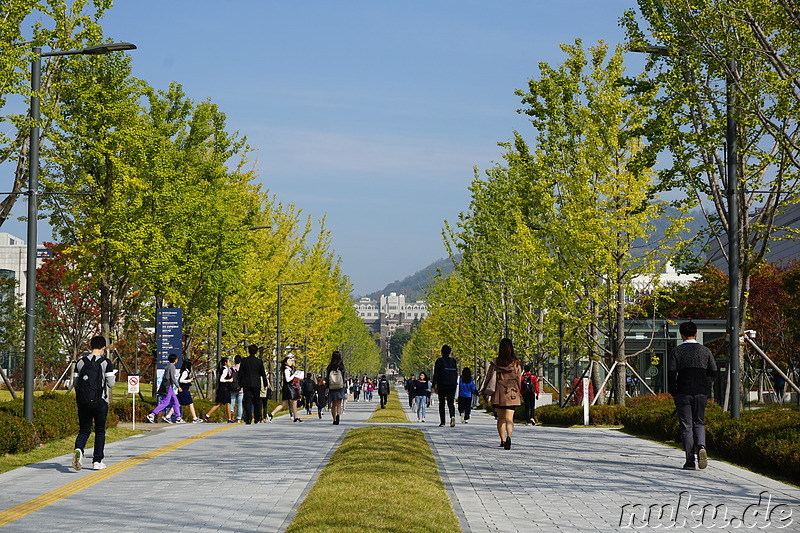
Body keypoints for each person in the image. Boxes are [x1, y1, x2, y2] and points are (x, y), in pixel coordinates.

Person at [668, 321, 718, 470]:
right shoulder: (705, 351)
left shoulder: (676, 352)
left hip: (683, 392)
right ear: (696, 334)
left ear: (681, 335)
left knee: (686, 426)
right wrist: (705, 382)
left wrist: (674, 392)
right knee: (699, 422)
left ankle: (690, 460)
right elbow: (714, 371)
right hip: (701, 392)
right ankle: (701, 445)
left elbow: (671, 374)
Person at [72, 335, 116, 471]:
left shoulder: (80, 362)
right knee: (100, 431)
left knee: (84, 429)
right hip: (100, 401)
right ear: (103, 348)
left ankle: (79, 449)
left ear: (91, 346)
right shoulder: (106, 362)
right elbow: (111, 383)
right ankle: (97, 461)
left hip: (83, 401)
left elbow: (75, 383)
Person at [481, 338, 522, 450]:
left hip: (499, 393)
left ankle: (503, 440)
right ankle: (509, 436)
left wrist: (484, 391)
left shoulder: (495, 363)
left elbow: (488, 377)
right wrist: (520, 392)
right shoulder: (516, 363)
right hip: (512, 392)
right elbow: (519, 380)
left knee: (501, 418)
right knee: (510, 418)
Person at [147, 353, 183, 424]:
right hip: (168, 386)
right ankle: (152, 414)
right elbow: (172, 378)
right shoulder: (172, 366)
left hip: (168, 386)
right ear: (175, 360)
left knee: (175, 401)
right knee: (165, 402)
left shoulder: (167, 366)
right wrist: (178, 386)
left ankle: (178, 417)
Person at [267, 356, 304, 423]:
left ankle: (271, 414)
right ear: (285, 363)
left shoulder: (289, 369)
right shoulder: (286, 370)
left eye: (291, 361)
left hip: (287, 388)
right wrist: (294, 375)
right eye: (289, 361)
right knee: (293, 402)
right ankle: (295, 417)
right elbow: (288, 379)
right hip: (289, 388)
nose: (291, 362)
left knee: (285, 404)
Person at [238, 344, 268, 424]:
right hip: (256, 383)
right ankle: (257, 418)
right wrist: (265, 384)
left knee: (247, 400)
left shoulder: (244, 361)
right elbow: (263, 373)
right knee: (257, 400)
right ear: (256, 352)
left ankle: (248, 418)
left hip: (246, 382)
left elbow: (240, 373)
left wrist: (239, 383)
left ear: (248, 351)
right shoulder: (259, 361)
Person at [432, 344, 459, 427]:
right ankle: (452, 416)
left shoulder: (439, 361)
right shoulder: (453, 361)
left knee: (442, 403)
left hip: (442, 384)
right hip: (452, 384)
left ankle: (443, 422)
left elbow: (436, 374)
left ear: (441, 352)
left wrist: (433, 385)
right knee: (451, 403)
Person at [203, 357, 233, 422]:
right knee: (227, 403)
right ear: (225, 363)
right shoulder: (225, 369)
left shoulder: (221, 369)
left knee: (220, 404)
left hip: (221, 388)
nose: (229, 362)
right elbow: (221, 379)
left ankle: (207, 415)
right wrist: (229, 380)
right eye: (228, 361)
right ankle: (229, 419)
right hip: (224, 388)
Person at [177, 359, 203, 423]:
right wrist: (189, 380)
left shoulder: (184, 371)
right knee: (190, 403)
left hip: (182, 389)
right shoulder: (185, 371)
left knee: (178, 404)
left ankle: (169, 416)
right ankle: (194, 418)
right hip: (184, 390)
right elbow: (181, 380)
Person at [325, 350, 347, 425]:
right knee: (339, 403)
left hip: (332, 387)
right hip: (339, 386)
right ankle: (338, 415)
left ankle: (334, 419)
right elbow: (343, 377)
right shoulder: (341, 366)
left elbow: (327, 377)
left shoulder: (330, 366)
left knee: (333, 404)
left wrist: (327, 386)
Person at [228, 355, 243, 423]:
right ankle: (239, 418)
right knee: (240, 404)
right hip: (241, 388)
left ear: (234, 361)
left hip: (232, 388)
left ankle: (231, 417)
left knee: (232, 402)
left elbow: (229, 377)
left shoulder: (231, 369)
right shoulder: (242, 369)